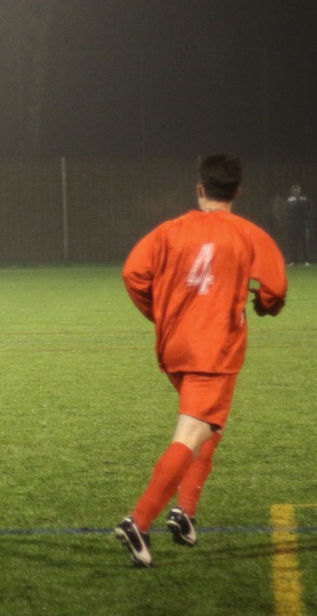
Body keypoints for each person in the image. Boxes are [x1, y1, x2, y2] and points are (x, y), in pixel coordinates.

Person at [114, 154, 287, 568]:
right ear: (238, 191)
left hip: (175, 346)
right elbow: (276, 289)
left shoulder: (169, 231)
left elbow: (133, 274)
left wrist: (161, 315)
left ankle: (185, 513)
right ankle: (139, 521)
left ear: (200, 188)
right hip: (214, 350)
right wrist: (264, 306)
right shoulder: (249, 234)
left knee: (209, 426)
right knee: (192, 432)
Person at [286, 183, 312, 265]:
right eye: (294, 189)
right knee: (294, 243)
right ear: (292, 190)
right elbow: (288, 211)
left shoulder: (304, 199)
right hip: (293, 225)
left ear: (300, 190)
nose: (296, 190)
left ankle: (306, 260)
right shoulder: (290, 200)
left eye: (297, 189)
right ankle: (293, 260)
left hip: (303, 224)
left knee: (304, 243)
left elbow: (307, 210)